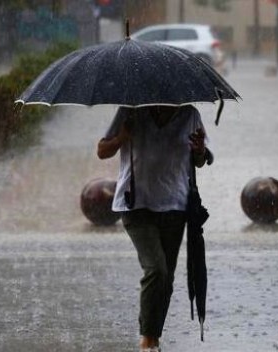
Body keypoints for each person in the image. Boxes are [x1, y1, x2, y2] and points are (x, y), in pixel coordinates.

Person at [97, 105, 210, 352]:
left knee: (166, 279)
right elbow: (102, 150)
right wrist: (122, 137)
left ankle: (153, 338)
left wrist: (200, 150)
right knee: (156, 269)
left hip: (175, 206)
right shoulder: (130, 111)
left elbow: (200, 161)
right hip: (136, 204)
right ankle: (147, 339)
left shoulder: (189, 115)